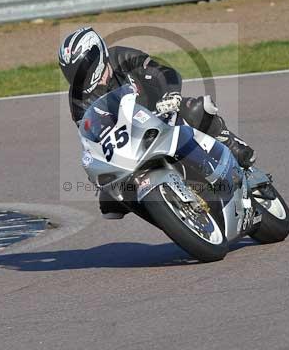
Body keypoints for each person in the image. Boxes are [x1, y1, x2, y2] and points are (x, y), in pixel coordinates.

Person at [58, 27, 255, 219]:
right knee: (109, 203)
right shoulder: (78, 99)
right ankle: (169, 214)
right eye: (72, 72)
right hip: (128, 142)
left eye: (81, 68)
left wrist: (170, 95)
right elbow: (92, 134)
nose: (78, 75)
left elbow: (163, 72)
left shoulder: (121, 57)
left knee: (195, 108)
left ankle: (230, 144)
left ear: (97, 57)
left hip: (162, 114)